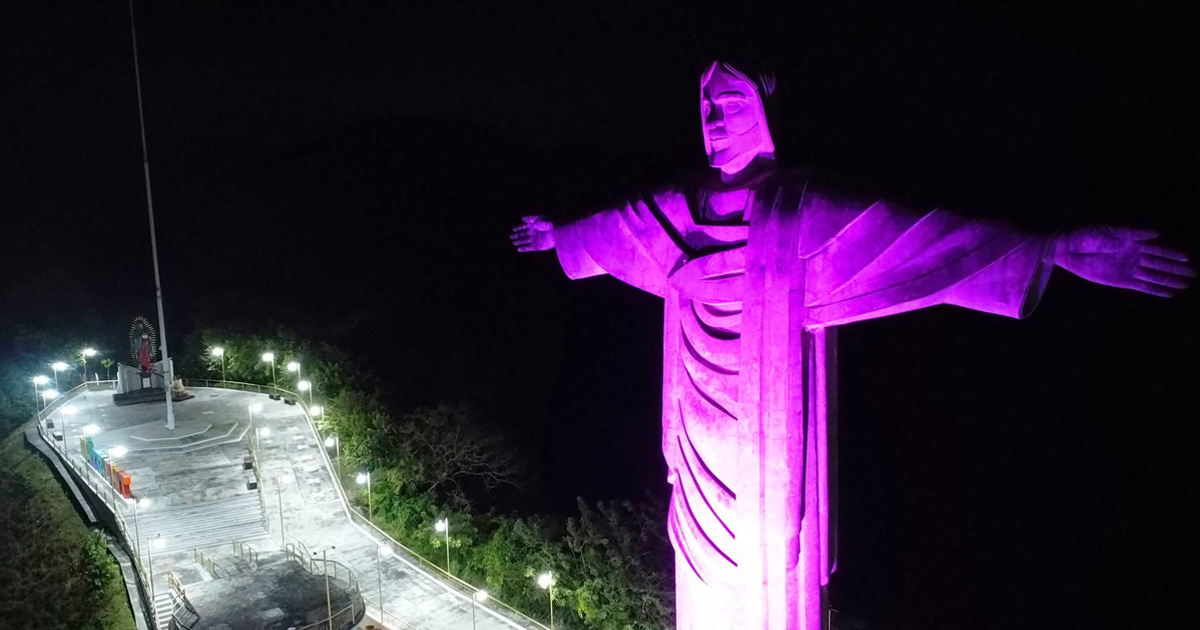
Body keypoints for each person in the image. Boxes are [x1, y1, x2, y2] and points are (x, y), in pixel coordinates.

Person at [511, 60, 1192, 630]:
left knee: (772, 582)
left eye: (734, 106)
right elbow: (612, 233)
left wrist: (1046, 250)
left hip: (766, 462)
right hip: (695, 449)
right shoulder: (678, 210)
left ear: (769, 113)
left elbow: (921, 240)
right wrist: (558, 238)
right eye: (708, 110)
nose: (718, 125)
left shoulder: (800, 213)